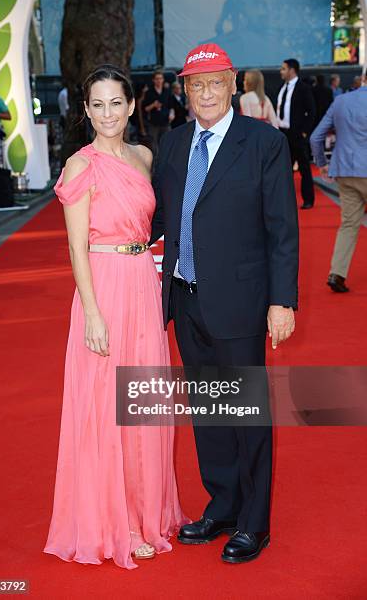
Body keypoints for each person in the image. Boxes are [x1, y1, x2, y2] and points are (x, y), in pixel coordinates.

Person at [150, 43, 299, 564]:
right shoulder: (170, 144)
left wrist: (282, 300)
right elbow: (162, 219)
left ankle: (254, 523)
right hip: (186, 299)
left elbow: (282, 227)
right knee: (210, 412)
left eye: (216, 82)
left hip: (241, 300)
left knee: (246, 413)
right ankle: (224, 506)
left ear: (234, 85)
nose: (206, 92)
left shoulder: (262, 143)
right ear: (184, 90)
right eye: (196, 84)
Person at [43, 64, 189, 569]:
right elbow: (76, 247)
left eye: (116, 103)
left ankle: (148, 512)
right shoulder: (80, 167)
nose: (107, 113)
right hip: (102, 287)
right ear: (86, 111)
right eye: (97, 104)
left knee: (143, 403)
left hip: (142, 287)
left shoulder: (145, 156)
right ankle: (121, 522)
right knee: (107, 408)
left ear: (132, 106)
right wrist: (91, 313)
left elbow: (159, 224)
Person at [310, 75, 367, 293]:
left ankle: (337, 273)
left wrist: (322, 163)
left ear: (363, 79)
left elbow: (316, 137)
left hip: (345, 170)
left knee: (348, 224)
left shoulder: (342, 101)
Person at [277, 58, 316, 209]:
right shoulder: (283, 87)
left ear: (292, 70)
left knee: (304, 168)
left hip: (297, 134)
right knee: (285, 170)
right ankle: (286, 201)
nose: (281, 71)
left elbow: (312, 111)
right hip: (283, 133)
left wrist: (305, 132)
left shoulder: (303, 88)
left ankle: (308, 200)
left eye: (283, 68)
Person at [143, 70, 171, 152]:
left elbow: (171, 106)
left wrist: (172, 114)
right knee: (154, 146)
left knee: (166, 143)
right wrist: (153, 105)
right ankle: (155, 163)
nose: (159, 80)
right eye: (157, 79)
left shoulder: (167, 91)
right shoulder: (149, 92)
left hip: (165, 122)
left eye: (160, 78)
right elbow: (145, 109)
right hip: (153, 123)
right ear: (154, 80)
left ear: (163, 80)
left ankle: (165, 163)